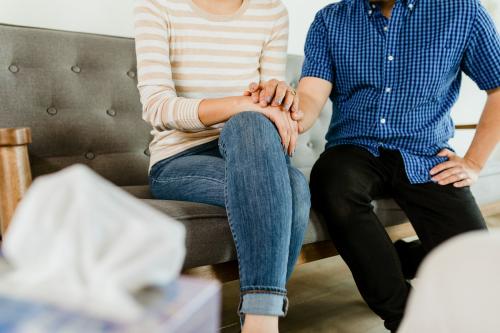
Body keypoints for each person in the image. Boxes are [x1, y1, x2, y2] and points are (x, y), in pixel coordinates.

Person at [246, 0, 500, 331]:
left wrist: (473, 162)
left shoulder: (462, 12)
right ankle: (406, 318)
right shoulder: (330, 20)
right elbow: (310, 98)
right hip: (354, 150)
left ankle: (404, 259)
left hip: (426, 155)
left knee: (474, 260)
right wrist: (285, 107)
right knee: (332, 182)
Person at [133, 0, 310, 332]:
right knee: (290, 182)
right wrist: (242, 104)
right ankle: (263, 322)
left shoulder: (271, 11)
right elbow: (157, 107)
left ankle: (258, 320)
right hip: (179, 160)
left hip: (253, 149)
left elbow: (267, 108)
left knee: (255, 130)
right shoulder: (157, 7)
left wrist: (279, 96)